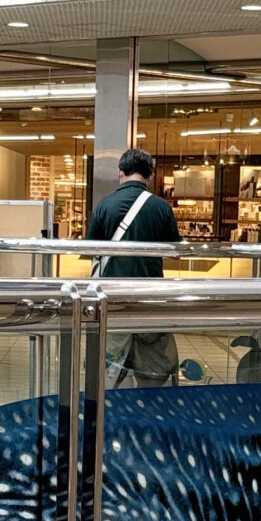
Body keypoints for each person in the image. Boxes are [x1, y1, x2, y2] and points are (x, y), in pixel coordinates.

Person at [88, 147, 181, 387]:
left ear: (121, 172)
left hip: (113, 298)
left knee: (111, 365)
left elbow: (90, 249)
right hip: (150, 298)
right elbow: (176, 251)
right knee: (153, 364)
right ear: (150, 176)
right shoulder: (161, 208)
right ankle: (149, 408)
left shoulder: (103, 205)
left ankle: (114, 407)